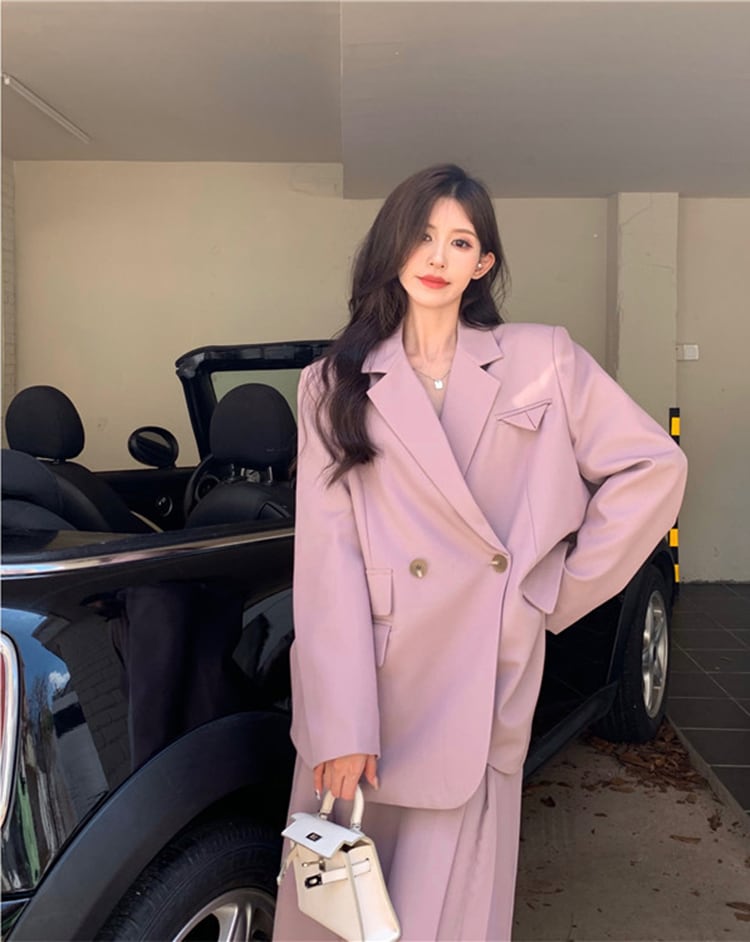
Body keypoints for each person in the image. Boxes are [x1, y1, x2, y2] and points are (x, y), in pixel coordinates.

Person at [273, 164, 687, 941]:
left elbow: (653, 467)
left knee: (453, 906)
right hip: (375, 685)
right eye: (422, 235)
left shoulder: (541, 358)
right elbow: (329, 562)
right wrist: (339, 723)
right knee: (344, 908)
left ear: (483, 263)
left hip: (482, 671)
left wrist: (550, 592)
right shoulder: (332, 384)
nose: (438, 256)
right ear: (392, 246)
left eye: (460, 242)